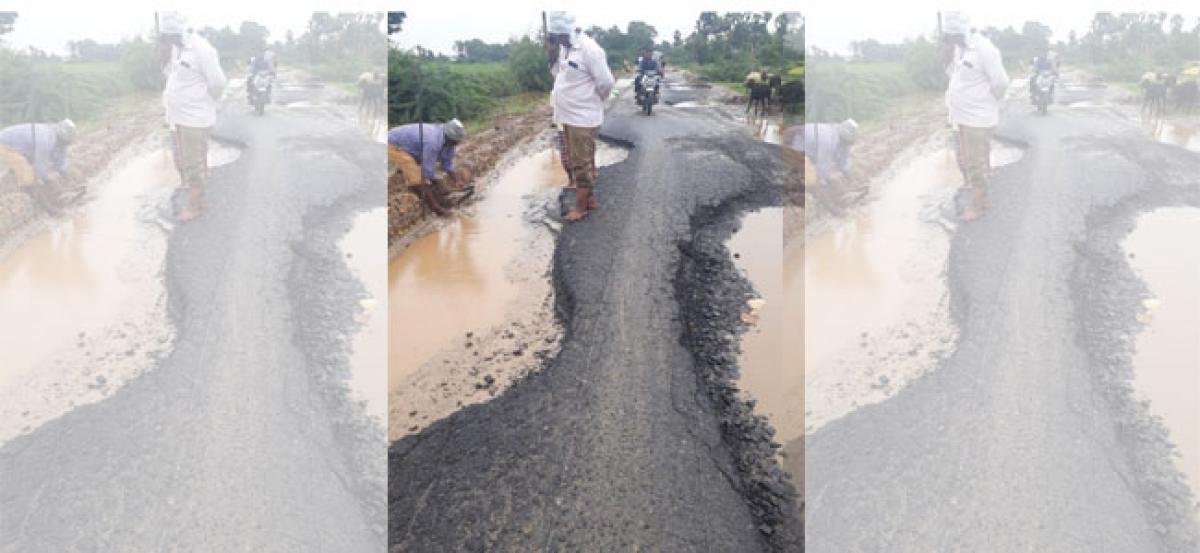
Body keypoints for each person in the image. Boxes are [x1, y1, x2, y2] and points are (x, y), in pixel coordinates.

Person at [544, 11, 614, 222]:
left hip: (582, 117)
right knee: (578, 160)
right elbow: (558, 75)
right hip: (568, 116)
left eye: (559, 36)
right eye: (555, 37)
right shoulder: (564, 48)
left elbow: (606, 82)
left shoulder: (590, 49)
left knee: (580, 163)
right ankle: (589, 199)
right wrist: (552, 52)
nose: (557, 40)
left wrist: (592, 102)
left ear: (567, 31)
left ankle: (581, 207)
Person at [159, 11, 227, 221]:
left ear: (179, 33)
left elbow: (218, 83)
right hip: (179, 117)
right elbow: (174, 75)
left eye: (170, 37)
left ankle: (196, 206)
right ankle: (200, 199)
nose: (168, 41)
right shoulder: (177, 49)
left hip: (194, 118)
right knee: (189, 160)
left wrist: (202, 102)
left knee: (192, 164)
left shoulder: (202, 49)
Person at [942, 11, 1009, 221]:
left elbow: (1001, 83)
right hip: (961, 117)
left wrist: (985, 102)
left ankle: (977, 206)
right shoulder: (960, 49)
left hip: (977, 118)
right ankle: (984, 199)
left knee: (975, 164)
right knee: (971, 159)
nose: (951, 40)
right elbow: (957, 76)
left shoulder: (985, 49)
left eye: (954, 36)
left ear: (963, 31)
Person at [388, 119, 467, 217]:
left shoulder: (449, 142)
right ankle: (436, 208)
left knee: (429, 178)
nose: (457, 144)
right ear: (449, 137)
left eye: (458, 142)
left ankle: (405, 169)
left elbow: (447, 163)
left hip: (413, 146)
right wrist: (436, 184)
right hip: (395, 143)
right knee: (417, 179)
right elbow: (427, 172)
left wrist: (457, 180)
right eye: (455, 142)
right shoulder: (433, 142)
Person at [0, 119, 77, 215]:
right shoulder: (45, 139)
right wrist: (49, 181)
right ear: (61, 136)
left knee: (28, 169)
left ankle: (17, 178)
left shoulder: (58, 140)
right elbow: (40, 167)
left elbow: (60, 160)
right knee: (28, 176)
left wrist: (68, 179)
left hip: (24, 146)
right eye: (65, 142)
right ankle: (49, 209)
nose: (65, 145)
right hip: (6, 143)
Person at [801, 118, 857, 185]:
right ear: (843, 136)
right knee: (809, 176)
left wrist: (845, 171)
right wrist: (824, 179)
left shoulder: (842, 139)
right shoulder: (828, 140)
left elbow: (844, 156)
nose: (847, 145)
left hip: (812, 144)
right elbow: (824, 161)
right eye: (846, 142)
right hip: (799, 140)